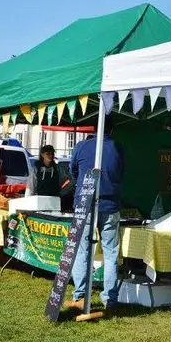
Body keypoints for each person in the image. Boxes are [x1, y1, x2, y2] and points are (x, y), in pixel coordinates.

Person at [68, 116, 124, 310]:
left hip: (84, 203)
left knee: (82, 250)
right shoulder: (117, 148)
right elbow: (120, 173)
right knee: (110, 253)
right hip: (110, 205)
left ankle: (80, 295)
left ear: (93, 128)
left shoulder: (81, 147)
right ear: (112, 130)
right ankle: (109, 299)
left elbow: (73, 172)